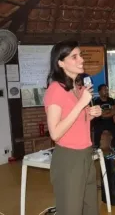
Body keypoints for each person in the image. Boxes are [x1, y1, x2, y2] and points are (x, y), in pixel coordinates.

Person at [44, 41, 102, 215]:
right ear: (60, 63)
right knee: (71, 211)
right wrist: (82, 104)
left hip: (86, 154)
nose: (81, 60)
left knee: (90, 209)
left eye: (80, 55)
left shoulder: (78, 88)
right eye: (74, 57)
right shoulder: (55, 90)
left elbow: (76, 121)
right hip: (68, 158)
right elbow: (55, 132)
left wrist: (91, 113)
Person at [93, 84, 115, 152]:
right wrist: (108, 112)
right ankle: (97, 146)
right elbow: (99, 114)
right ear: (99, 92)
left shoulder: (111, 100)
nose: (106, 91)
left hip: (110, 122)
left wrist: (104, 113)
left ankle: (113, 144)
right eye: (104, 90)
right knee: (97, 130)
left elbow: (114, 111)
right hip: (99, 122)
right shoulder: (96, 101)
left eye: (107, 90)